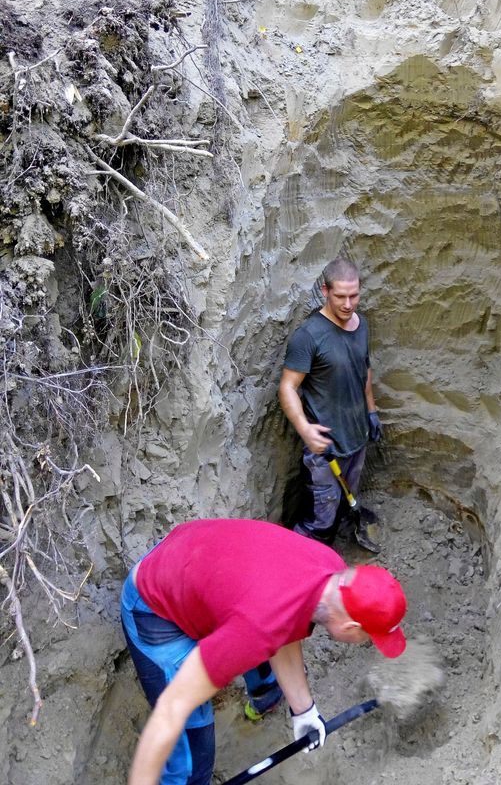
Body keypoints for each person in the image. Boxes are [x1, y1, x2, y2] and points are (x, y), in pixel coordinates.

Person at [121, 518, 407, 785]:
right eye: (368, 637)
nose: (367, 642)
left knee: (262, 660)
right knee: (192, 760)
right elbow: (171, 710)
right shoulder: (258, 627)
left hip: (192, 553)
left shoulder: (330, 570)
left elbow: (288, 622)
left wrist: (304, 711)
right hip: (153, 605)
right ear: (350, 627)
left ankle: (263, 699)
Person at [279, 257, 383, 546]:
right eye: (340, 296)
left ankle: (342, 524)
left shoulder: (361, 325)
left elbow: (364, 369)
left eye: (354, 296)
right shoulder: (310, 335)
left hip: (357, 438)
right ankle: (304, 556)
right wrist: (304, 428)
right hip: (326, 450)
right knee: (320, 518)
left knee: (344, 497)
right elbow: (288, 387)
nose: (348, 304)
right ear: (325, 291)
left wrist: (371, 412)